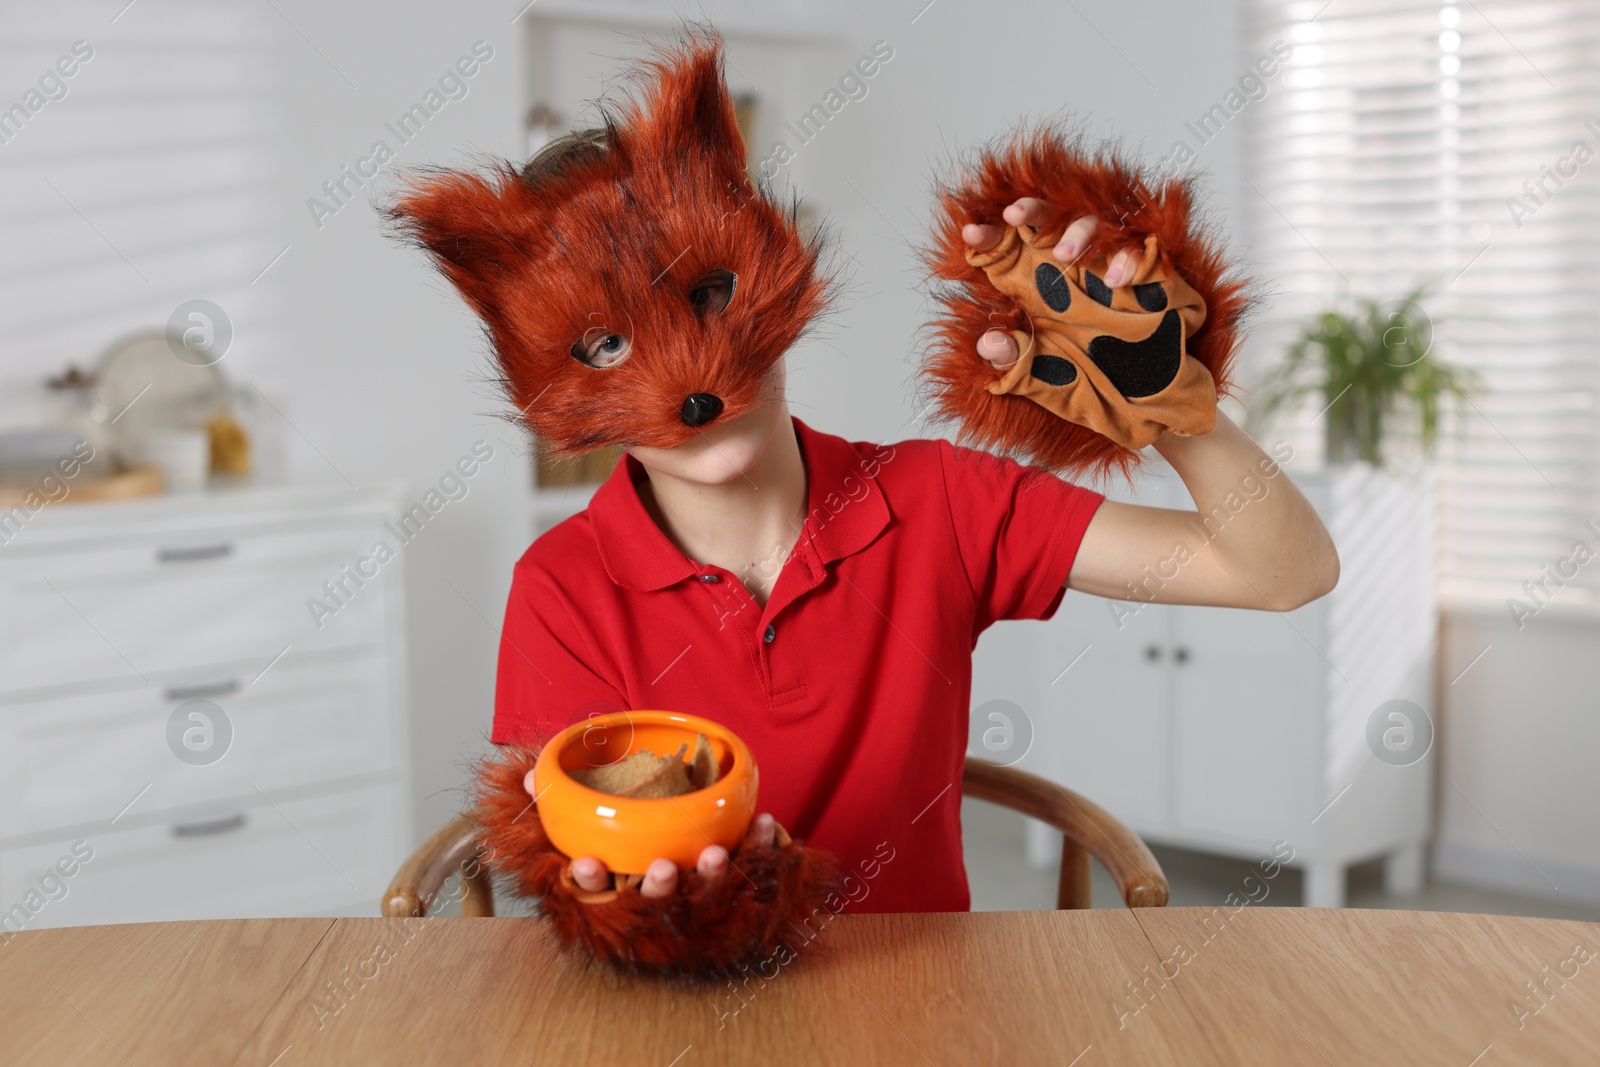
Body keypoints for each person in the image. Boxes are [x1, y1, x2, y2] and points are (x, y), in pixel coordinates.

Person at [490, 191, 1339, 913]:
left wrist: (1173, 405)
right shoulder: (561, 584)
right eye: (608, 346)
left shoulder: (938, 501)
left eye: (709, 294)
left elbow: (1284, 571)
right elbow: (586, 869)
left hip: (927, 1011)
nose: (691, 384)